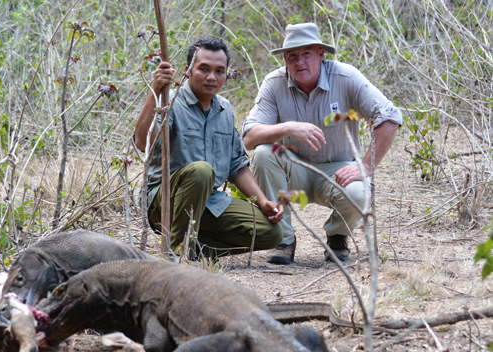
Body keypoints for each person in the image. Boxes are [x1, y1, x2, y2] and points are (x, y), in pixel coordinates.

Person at [242, 23, 402, 265]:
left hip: (337, 172)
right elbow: (249, 138)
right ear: (285, 59)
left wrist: (366, 167)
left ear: (321, 54)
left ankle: (337, 236)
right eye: (293, 56)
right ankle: (284, 239)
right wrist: (288, 128)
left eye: (307, 53)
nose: (299, 62)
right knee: (264, 154)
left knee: (360, 192)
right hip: (293, 170)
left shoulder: (346, 77)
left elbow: (390, 118)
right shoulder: (274, 83)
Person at [134, 37, 284, 258]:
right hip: (164, 201)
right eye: (203, 69)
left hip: (209, 202)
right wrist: (156, 90)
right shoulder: (171, 101)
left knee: (271, 233)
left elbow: (237, 165)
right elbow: (142, 142)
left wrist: (263, 201)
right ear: (188, 70)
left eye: (219, 71)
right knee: (201, 171)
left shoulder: (225, 109)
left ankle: (195, 249)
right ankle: (176, 254)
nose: (212, 77)